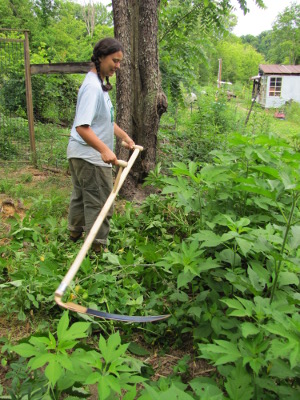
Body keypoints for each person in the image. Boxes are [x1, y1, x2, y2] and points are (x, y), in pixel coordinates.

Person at [67, 37, 135, 254]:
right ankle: (97, 250)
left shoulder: (98, 85)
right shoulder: (92, 88)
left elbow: (105, 120)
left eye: (120, 62)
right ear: (101, 57)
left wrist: (124, 136)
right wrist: (105, 150)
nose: (118, 66)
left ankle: (74, 233)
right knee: (100, 202)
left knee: (81, 195)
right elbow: (82, 126)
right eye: (114, 60)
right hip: (90, 157)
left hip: (81, 154)